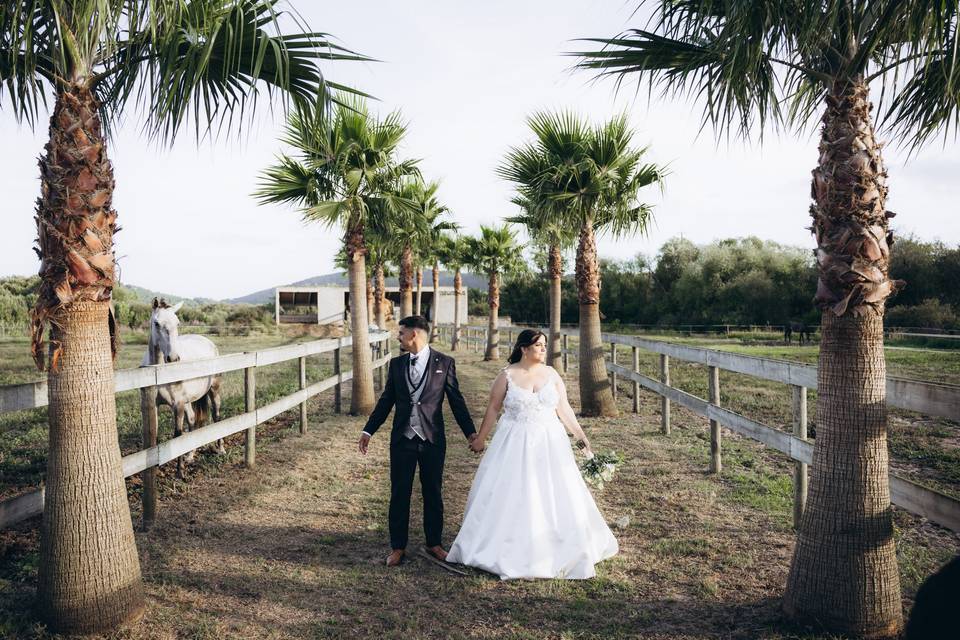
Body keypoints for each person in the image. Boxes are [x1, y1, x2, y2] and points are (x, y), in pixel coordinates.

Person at [446, 329, 618, 579]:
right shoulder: (506, 375)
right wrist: (481, 438)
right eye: (538, 345)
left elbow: (564, 409)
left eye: (544, 345)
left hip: (550, 442)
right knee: (512, 492)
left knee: (555, 491)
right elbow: (493, 408)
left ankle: (559, 544)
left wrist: (582, 438)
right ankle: (505, 546)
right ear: (524, 348)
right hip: (514, 441)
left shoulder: (551, 374)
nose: (543, 349)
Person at [358, 315, 477, 567]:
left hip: (432, 439)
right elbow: (386, 401)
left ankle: (434, 543)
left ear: (414, 335)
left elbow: (457, 402)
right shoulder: (397, 365)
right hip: (402, 439)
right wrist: (369, 430)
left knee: (433, 491)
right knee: (399, 492)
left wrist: (470, 433)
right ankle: (398, 547)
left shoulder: (444, 363)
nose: (398, 337)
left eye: (401, 333)